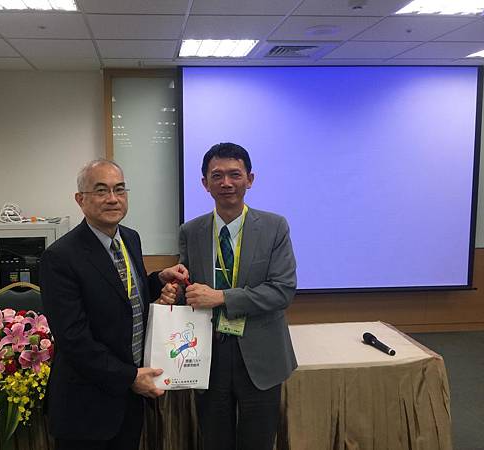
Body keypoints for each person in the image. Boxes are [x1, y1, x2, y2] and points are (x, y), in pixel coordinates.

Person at [40, 159, 188, 450]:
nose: (113, 198)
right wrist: (130, 377)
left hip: (128, 400)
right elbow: (73, 338)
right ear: (80, 199)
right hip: (86, 406)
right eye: (101, 190)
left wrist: (158, 280)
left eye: (119, 189)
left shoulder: (130, 238)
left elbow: (123, 294)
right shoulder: (60, 257)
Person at [160, 142, 298, 450]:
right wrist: (173, 288)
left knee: (258, 442)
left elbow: (282, 290)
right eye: (217, 175)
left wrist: (222, 297)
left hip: (261, 355)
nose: (226, 183)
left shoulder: (275, 227)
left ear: (250, 179)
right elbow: (188, 289)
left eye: (235, 174)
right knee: (214, 441)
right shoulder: (191, 231)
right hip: (207, 356)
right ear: (204, 183)